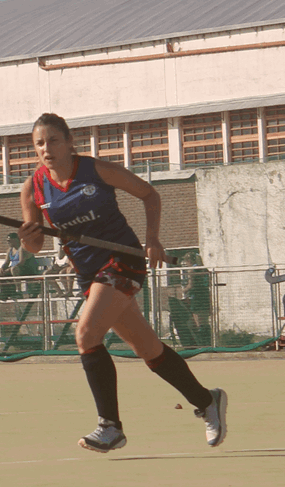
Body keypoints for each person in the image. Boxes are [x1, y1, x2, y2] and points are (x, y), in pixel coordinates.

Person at [20, 112, 227, 453]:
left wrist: (153, 239)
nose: (46, 149)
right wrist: (28, 238)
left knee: (86, 335)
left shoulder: (95, 169)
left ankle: (110, 427)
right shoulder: (33, 187)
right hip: (88, 273)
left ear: (69, 142)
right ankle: (207, 400)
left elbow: (149, 194)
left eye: (53, 140)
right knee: (148, 349)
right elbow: (35, 245)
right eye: (39, 143)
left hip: (122, 260)